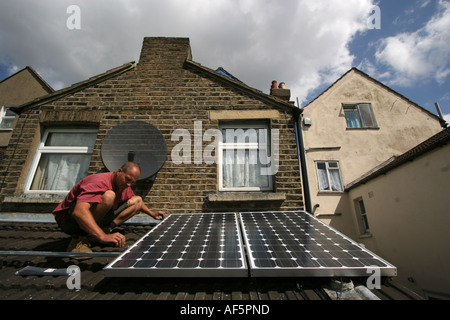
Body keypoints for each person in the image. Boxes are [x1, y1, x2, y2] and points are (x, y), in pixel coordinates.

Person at [53, 161, 165, 255]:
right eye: (127, 179)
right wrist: (103, 237)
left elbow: (138, 202)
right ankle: (80, 238)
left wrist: (152, 214)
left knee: (137, 200)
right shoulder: (98, 181)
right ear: (119, 172)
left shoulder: (123, 186)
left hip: (92, 217)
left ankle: (103, 230)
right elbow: (78, 212)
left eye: (132, 182)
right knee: (109, 196)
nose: (129, 184)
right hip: (69, 221)